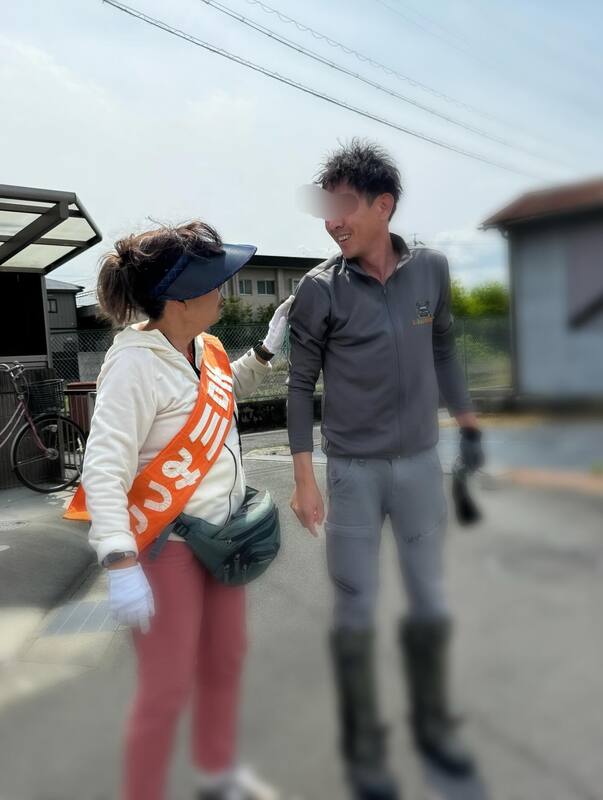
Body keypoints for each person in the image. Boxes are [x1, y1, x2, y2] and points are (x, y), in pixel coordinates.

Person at [287, 140, 484, 800]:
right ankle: (363, 741)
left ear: (383, 206)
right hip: (352, 472)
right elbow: (299, 386)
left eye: (343, 207)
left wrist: (466, 418)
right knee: (355, 607)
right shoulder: (319, 290)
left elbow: (444, 348)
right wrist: (304, 478)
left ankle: (433, 724)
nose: (331, 221)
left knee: (429, 598)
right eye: (326, 209)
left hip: (421, 467)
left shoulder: (430, 270)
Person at [81, 220, 293, 800]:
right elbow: (103, 468)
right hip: (166, 548)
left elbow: (223, 391)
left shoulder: (206, 347)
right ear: (179, 298)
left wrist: (266, 349)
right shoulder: (133, 363)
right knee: (166, 688)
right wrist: (119, 562)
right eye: (214, 282)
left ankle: (216, 774)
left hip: (223, 540)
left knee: (225, 660)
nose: (224, 291)